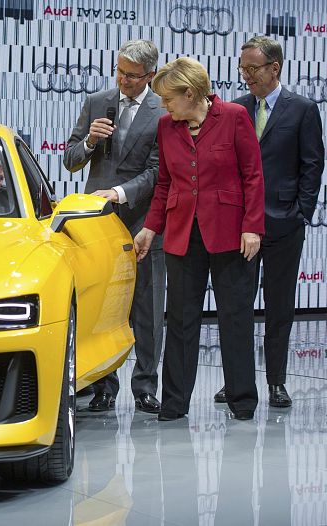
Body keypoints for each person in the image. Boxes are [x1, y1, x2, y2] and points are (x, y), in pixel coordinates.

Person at [134, 57, 265, 421]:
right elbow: (164, 184)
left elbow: (253, 175)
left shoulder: (236, 116)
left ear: (190, 93)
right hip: (181, 234)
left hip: (230, 233)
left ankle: (242, 402)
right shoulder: (166, 126)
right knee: (180, 321)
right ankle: (175, 404)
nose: (164, 105)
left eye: (169, 98)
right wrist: (150, 227)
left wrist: (252, 226)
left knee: (235, 319)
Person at [211, 36, 325, 408]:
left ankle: (277, 382)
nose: (246, 76)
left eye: (252, 69)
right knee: (236, 307)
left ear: (274, 68)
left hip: (282, 225)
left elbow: (312, 165)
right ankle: (237, 382)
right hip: (239, 225)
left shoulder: (303, 109)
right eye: (242, 68)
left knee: (279, 307)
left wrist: (300, 213)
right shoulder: (236, 109)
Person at [63, 39, 167, 414]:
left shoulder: (162, 110)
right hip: (98, 224)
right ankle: (104, 386)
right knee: (102, 306)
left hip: (143, 220)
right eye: (120, 71)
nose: (124, 80)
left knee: (148, 306)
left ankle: (145, 386)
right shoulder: (97, 101)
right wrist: (90, 141)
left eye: (133, 76)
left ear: (150, 76)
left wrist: (121, 193)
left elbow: (159, 171)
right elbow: (69, 160)